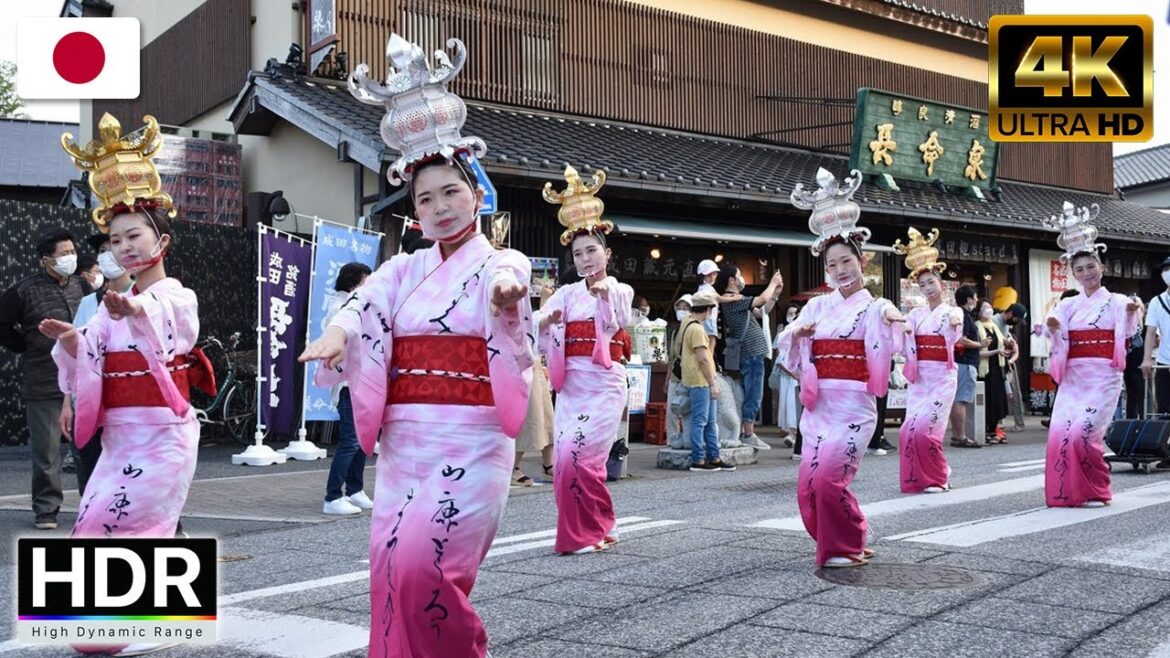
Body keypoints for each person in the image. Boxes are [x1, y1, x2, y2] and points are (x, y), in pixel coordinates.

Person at [300, 35, 533, 658]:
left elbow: (509, 279)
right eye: (425, 198)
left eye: (451, 191)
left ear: (476, 193)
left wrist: (507, 300)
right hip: (407, 440)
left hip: (472, 437)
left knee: (425, 567)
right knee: (389, 563)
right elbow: (364, 303)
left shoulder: (501, 261)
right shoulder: (403, 268)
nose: (439, 207)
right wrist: (336, 333)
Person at [47, 113, 216, 657]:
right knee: (93, 518)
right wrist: (71, 344)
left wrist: (137, 312)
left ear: (161, 239)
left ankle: (124, 618)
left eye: (134, 235)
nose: (123, 247)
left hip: (162, 434)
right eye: (115, 240)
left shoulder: (176, 297)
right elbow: (91, 354)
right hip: (120, 437)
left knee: (133, 520)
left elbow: (171, 328)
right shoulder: (107, 307)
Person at [779, 168, 904, 568]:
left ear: (861, 261)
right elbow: (788, 350)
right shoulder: (817, 306)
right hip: (819, 407)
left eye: (846, 261)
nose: (840, 270)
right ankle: (852, 533)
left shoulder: (875, 305)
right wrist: (798, 333)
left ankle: (844, 545)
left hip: (853, 406)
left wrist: (889, 318)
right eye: (832, 265)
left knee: (829, 479)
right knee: (808, 486)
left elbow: (889, 333)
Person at [537, 164, 632, 554]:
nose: (585, 258)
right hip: (572, 388)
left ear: (606, 252)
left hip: (604, 385)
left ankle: (587, 533)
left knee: (582, 459)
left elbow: (621, 316)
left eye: (592, 250)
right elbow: (537, 326)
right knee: (565, 462)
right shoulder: (565, 294)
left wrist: (606, 296)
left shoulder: (618, 287)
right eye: (578, 253)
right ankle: (600, 524)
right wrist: (546, 320)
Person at [1042, 202, 1142, 508]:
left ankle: (1097, 490)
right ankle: (1068, 492)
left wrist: (1130, 311)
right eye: (1080, 269)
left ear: (1102, 267)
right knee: (1062, 433)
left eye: (1091, 267)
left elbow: (1129, 327)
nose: (1086, 273)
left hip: (1102, 376)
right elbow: (1053, 327)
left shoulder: (1117, 300)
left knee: (1084, 434)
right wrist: (1053, 327)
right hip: (1074, 378)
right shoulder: (1068, 304)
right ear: (1073, 274)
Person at [0, 228, 90, 530]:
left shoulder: (82, 286)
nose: (71, 258)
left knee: (89, 448)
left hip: (83, 379)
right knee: (47, 451)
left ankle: (93, 504)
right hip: (43, 380)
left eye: (73, 252)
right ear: (46, 260)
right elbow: (2, 324)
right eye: (64, 254)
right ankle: (46, 508)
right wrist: (25, 345)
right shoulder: (24, 290)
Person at [60, 233, 136, 499]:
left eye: (113, 247)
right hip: (90, 399)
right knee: (90, 470)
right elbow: (74, 357)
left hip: (129, 403)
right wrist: (67, 403)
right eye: (102, 251)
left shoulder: (143, 298)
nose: (107, 256)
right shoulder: (88, 303)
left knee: (130, 474)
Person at [894, 227, 962, 494]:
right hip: (920, 379)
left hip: (942, 378)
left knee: (928, 429)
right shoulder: (915, 314)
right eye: (922, 285)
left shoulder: (952, 310)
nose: (927, 288)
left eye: (931, 282)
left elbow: (955, 330)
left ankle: (938, 478)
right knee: (908, 430)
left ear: (941, 284)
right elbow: (902, 338)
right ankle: (917, 478)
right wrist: (900, 328)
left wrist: (955, 322)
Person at [321, 262, 374, 515]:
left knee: (362, 439)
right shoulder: (340, 307)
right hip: (347, 383)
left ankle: (355, 489)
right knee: (350, 440)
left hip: (362, 381)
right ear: (355, 281)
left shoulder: (355, 305)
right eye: (366, 280)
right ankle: (332, 496)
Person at [713, 263, 785, 448]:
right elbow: (761, 300)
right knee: (753, 393)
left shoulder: (736, 300)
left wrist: (775, 294)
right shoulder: (732, 299)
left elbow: (761, 312)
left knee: (751, 392)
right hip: (751, 353)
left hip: (753, 353)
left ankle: (746, 431)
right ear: (731, 279)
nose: (741, 278)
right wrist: (772, 283)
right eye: (738, 274)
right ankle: (748, 433)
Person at [673, 290, 732, 472]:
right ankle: (698, 459)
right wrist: (713, 383)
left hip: (696, 379)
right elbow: (704, 358)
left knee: (708, 421)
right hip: (701, 380)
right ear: (707, 310)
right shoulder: (697, 329)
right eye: (710, 310)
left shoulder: (686, 323)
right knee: (701, 421)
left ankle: (714, 456)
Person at [950, 285, 988, 449]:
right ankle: (961, 436)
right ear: (969, 299)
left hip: (960, 362)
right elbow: (961, 340)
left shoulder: (960, 314)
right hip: (965, 363)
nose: (977, 300)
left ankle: (957, 435)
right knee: (961, 400)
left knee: (957, 400)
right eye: (975, 297)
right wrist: (980, 344)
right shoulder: (963, 315)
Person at [977, 300, 1010, 444]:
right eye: (985, 308)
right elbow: (977, 352)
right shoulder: (976, 327)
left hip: (997, 368)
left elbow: (1003, 341)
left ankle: (993, 430)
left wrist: (1010, 343)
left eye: (990, 307)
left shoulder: (994, 326)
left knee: (997, 399)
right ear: (978, 311)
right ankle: (984, 430)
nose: (989, 310)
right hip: (984, 370)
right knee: (986, 400)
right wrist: (996, 351)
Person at [771, 302, 802, 452]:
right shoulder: (784, 332)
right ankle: (792, 433)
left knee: (793, 404)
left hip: (799, 374)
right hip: (792, 374)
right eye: (790, 314)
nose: (792, 317)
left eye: (795, 314)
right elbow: (780, 356)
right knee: (790, 404)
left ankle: (794, 434)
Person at [992, 303, 1029, 432]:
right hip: (997, 362)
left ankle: (1019, 423)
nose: (1016, 323)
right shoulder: (994, 321)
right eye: (1017, 319)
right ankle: (997, 422)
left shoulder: (1006, 324)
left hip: (1007, 362)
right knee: (1003, 393)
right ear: (1010, 314)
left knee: (1015, 393)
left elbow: (1012, 346)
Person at [1141, 255, 1170, 414]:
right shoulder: (1156, 302)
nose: (1168, 272)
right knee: (1164, 411)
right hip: (1164, 362)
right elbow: (1151, 332)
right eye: (1166, 269)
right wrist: (1146, 358)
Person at [696, 259, 720, 352]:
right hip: (709, 318)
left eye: (714, 274)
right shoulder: (707, 288)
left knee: (707, 341)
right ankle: (709, 358)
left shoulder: (702, 288)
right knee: (711, 341)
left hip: (705, 318)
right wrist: (734, 298)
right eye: (709, 275)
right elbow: (719, 298)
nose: (712, 277)